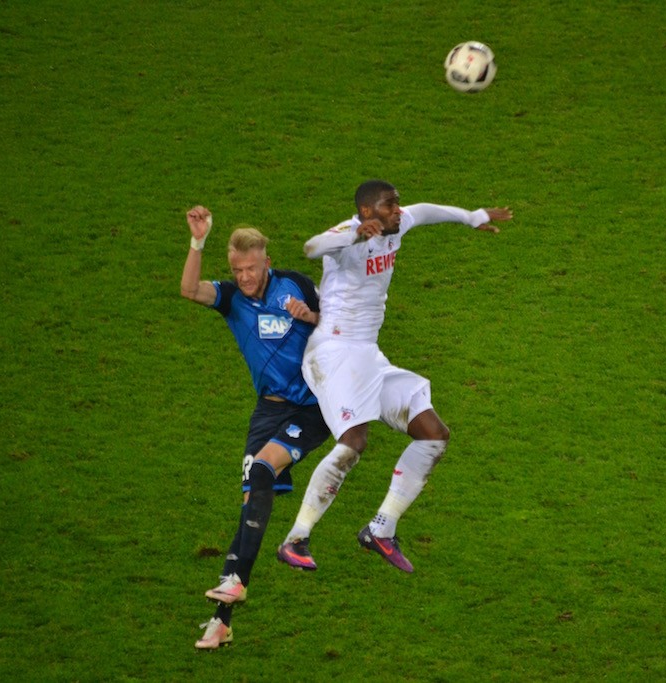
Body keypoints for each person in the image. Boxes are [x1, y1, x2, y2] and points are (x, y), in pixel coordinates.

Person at [275, 180, 512, 574]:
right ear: (367, 212)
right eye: (389, 205)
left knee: (434, 433)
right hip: (333, 353)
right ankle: (296, 538)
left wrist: (474, 217)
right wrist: (353, 233)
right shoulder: (348, 237)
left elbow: (427, 210)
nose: (398, 210)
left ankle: (381, 529)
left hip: (368, 354)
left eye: (397, 203)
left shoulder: (396, 225)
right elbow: (311, 247)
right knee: (353, 442)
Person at [180, 206, 331, 649]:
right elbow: (189, 289)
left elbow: (343, 329)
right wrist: (197, 241)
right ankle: (222, 618)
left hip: (312, 408)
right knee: (251, 505)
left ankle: (233, 590)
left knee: (262, 472)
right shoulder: (232, 299)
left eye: (251, 267)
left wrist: (312, 318)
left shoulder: (295, 285)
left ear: (266, 261)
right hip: (267, 411)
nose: (244, 277)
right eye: (236, 269)